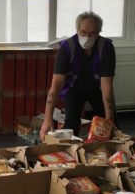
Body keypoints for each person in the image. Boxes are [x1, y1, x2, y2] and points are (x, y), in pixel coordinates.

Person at [40, 11, 117, 140]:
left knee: (108, 124)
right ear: (77, 30)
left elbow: (107, 87)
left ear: (99, 32)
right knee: (71, 123)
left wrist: (109, 121)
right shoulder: (67, 48)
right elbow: (56, 86)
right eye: (83, 32)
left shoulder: (106, 47)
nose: (87, 37)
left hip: (98, 89)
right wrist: (47, 120)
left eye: (92, 33)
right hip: (74, 88)